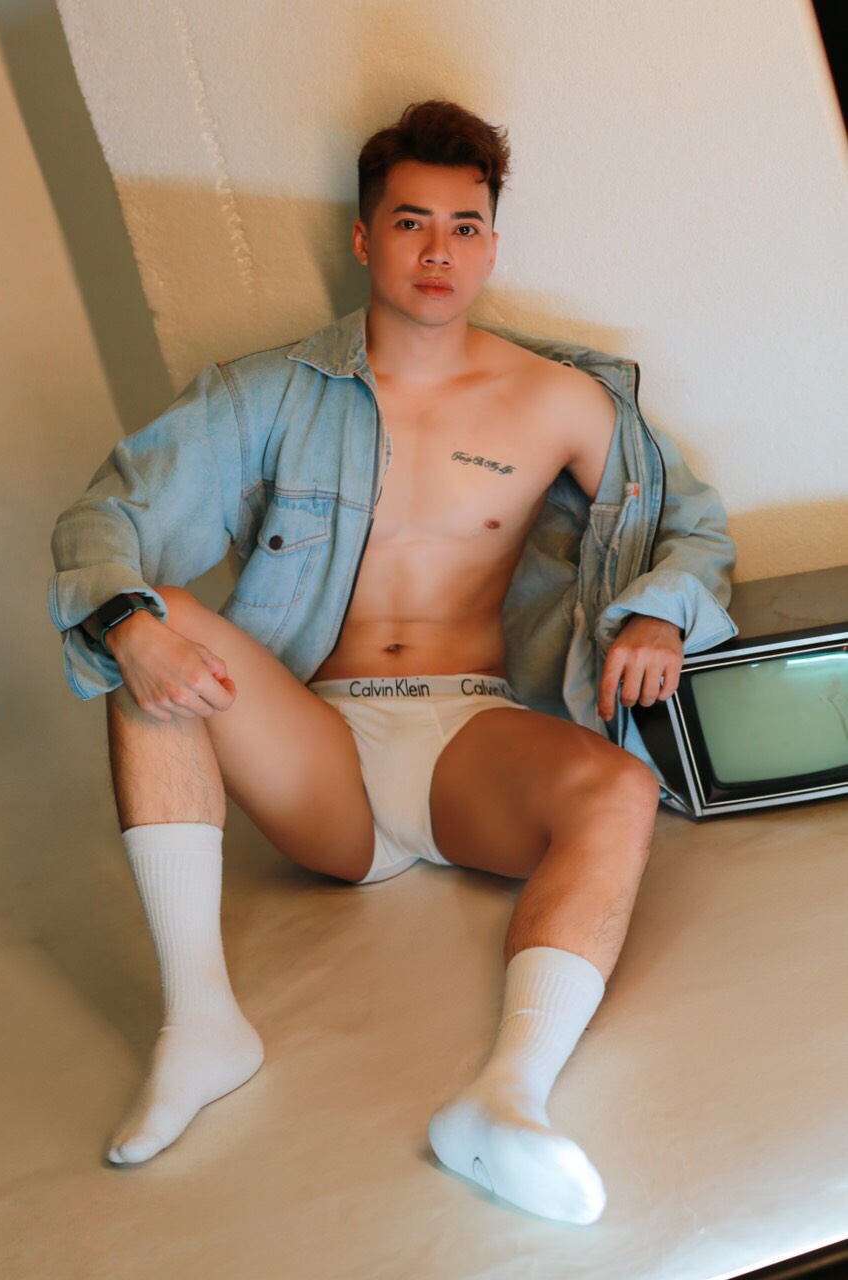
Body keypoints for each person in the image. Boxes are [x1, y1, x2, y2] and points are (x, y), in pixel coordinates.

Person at [48, 99, 737, 1223]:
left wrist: (660, 615)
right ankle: (202, 1024)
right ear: (366, 238)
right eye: (412, 223)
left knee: (618, 787)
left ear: (491, 247)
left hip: (470, 735)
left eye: (464, 227)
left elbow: (690, 525)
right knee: (146, 619)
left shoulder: (558, 399)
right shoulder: (267, 392)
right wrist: (129, 625)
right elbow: (106, 517)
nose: (438, 252)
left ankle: (506, 1099)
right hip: (318, 744)